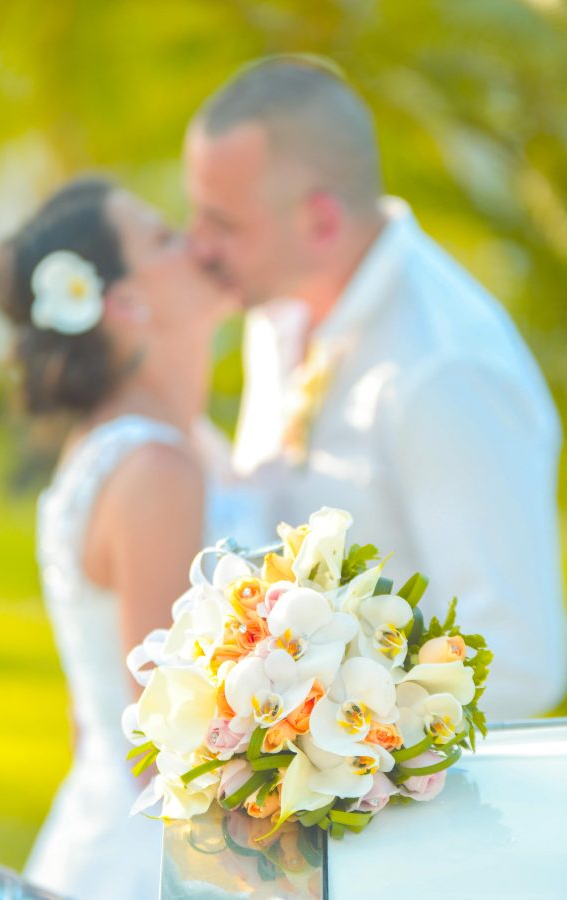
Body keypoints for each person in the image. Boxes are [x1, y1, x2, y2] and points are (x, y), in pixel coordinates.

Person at [184, 57, 566, 719]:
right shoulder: (276, 316)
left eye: (225, 225)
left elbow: (521, 661)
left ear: (321, 223)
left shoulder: (443, 371)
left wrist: (329, 732)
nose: (198, 247)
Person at [0, 176, 231, 899]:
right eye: (162, 238)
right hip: (151, 864)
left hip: (102, 827)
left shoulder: (148, 449)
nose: (192, 241)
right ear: (125, 304)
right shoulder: (154, 470)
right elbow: (170, 743)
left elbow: (85, 714)